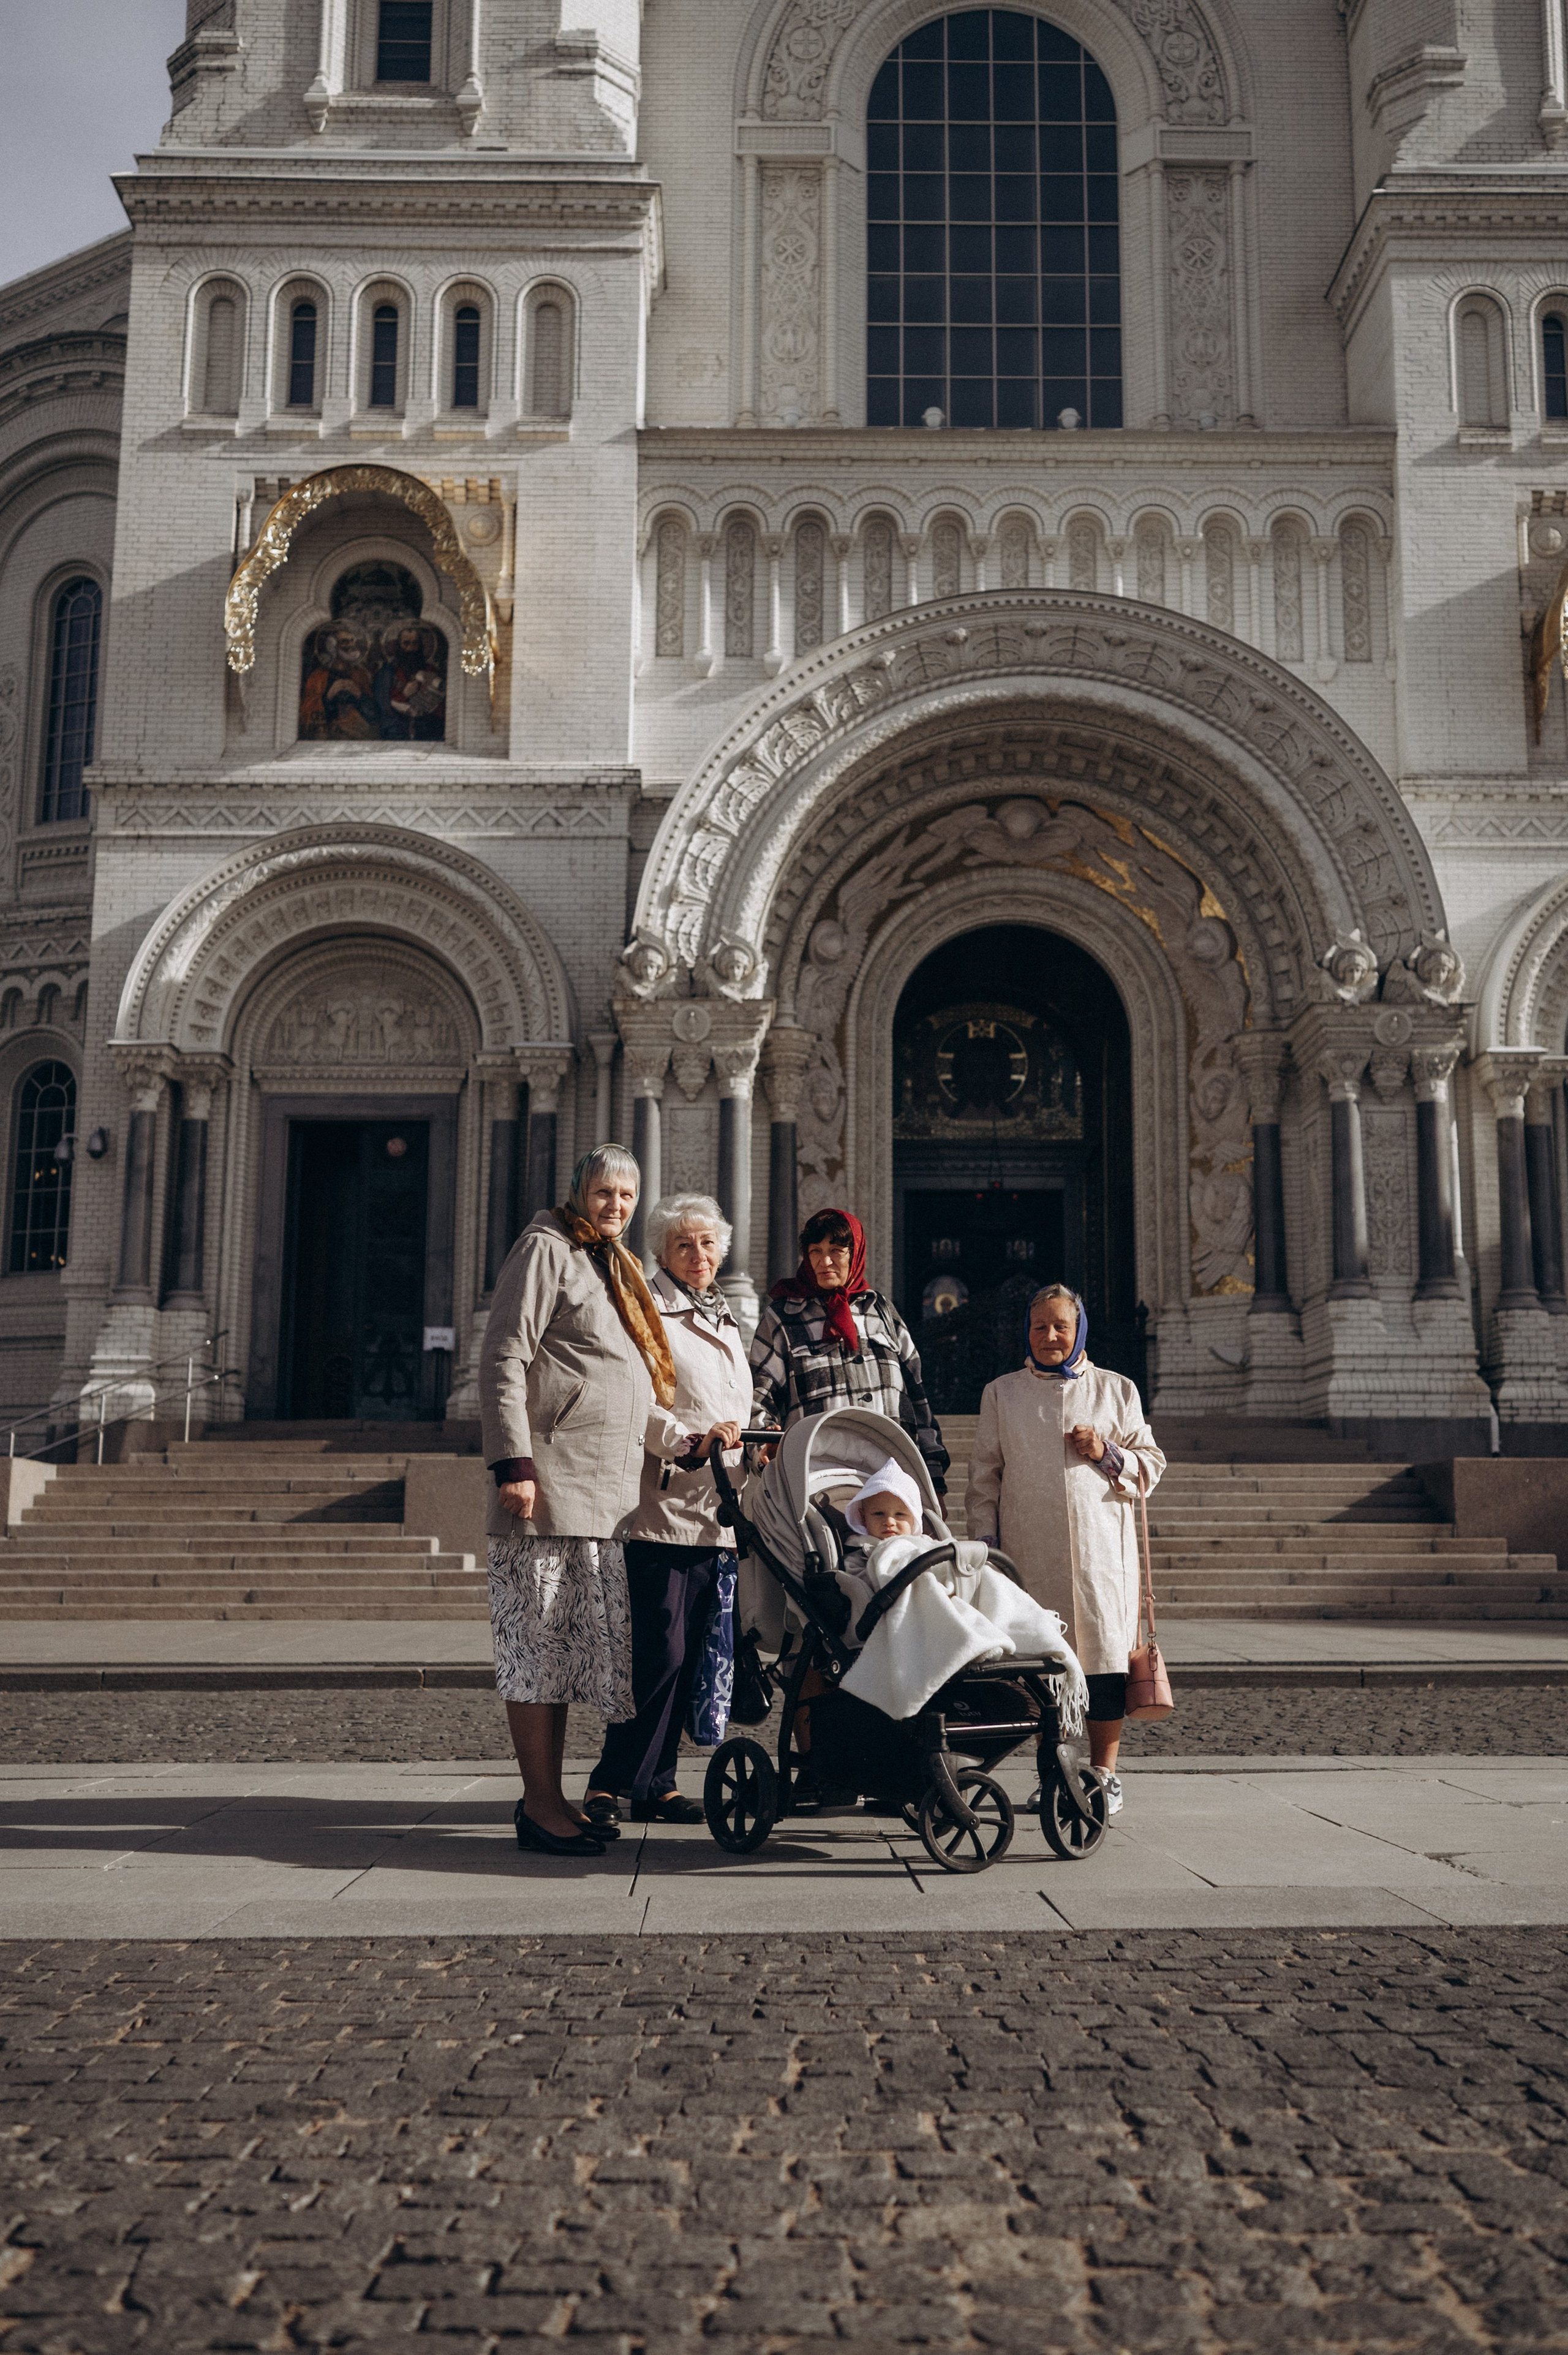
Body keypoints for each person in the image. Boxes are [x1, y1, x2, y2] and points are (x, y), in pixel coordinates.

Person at [479, 1144, 676, 1859]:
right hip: (548, 1489)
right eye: (604, 1192)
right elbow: (504, 1352)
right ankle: (538, 1804)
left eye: (627, 1195)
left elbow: (622, 1378)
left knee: (561, 1655)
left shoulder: (613, 1263)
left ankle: (551, 1798)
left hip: (601, 1494)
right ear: (577, 1191)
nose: (615, 1206)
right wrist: (514, 1460)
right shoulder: (546, 1248)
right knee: (537, 1652)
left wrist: (679, 1442)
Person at [582, 1193, 752, 1832]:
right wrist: (686, 1441)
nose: (699, 1254)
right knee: (660, 1647)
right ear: (660, 1252)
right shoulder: (646, 1309)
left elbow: (732, 1396)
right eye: (684, 1244)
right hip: (664, 1505)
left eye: (708, 1243)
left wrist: (753, 1444)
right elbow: (633, 1397)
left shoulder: (725, 1315)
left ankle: (655, 1783)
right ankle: (609, 1780)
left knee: (694, 1650)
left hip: (719, 1510)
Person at [965, 1283, 1165, 1818]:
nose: (1050, 1336)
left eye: (1061, 1326)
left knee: (1103, 1669)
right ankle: (1052, 1773)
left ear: (1079, 1332)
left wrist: (1107, 1453)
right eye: (1039, 1326)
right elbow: (984, 1478)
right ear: (1026, 1332)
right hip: (1031, 1556)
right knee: (1043, 1671)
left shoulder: (1117, 1390)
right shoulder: (1002, 1394)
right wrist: (988, 1550)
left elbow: (1152, 1465)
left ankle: (1104, 1773)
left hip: (1103, 1557)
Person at [749, 1206, 948, 1491]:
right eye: (815, 1251)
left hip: (892, 1484)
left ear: (855, 1253)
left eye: (836, 1249)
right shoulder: (782, 1318)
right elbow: (758, 1399)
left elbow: (918, 1401)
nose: (824, 1261)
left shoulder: (881, 1312)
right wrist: (763, 1449)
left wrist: (934, 1481)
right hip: (817, 1485)